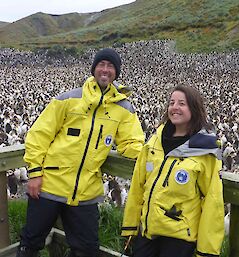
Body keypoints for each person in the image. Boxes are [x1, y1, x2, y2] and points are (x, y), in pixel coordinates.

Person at [17, 48, 145, 257]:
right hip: (49, 185)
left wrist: (155, 155)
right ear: (94, 69)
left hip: (86, 192)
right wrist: (34, 173)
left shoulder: (123, 108)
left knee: (87, 250)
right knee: (29, 244)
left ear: (116, 73)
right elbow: (38, 135)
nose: (105, 70)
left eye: (110, 66)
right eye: (101, 65)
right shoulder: (68, 99)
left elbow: (132, 143)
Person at [122, 85, 224, 257]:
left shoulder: (206, 149)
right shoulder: (154, 141)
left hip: (179, 237)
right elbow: (138, 186)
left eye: (182, 103)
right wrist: (130, 226)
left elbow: (212, 201)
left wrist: (207, 251)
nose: (175, 107)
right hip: (148, 229)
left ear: (194, 108)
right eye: (172, 103)